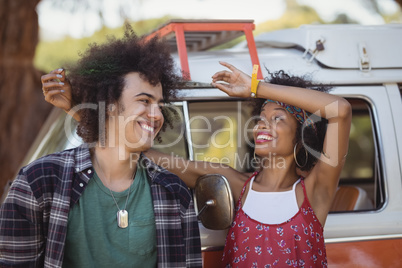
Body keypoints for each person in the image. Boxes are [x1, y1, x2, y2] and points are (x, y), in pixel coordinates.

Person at [40, 60, 351, 267]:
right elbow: (140, 154)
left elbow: (340, 110)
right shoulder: (239, 186)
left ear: (301, 135)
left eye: (277, 119)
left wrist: (256, 88)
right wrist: (78, 112)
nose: (261, 126)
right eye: (260, 118)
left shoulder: (314, 190)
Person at [0, 27, 202, 268]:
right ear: (109, 105)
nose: (157, 114)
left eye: (159, 104)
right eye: (145, 101)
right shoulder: (39, 182)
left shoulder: (174, 192)